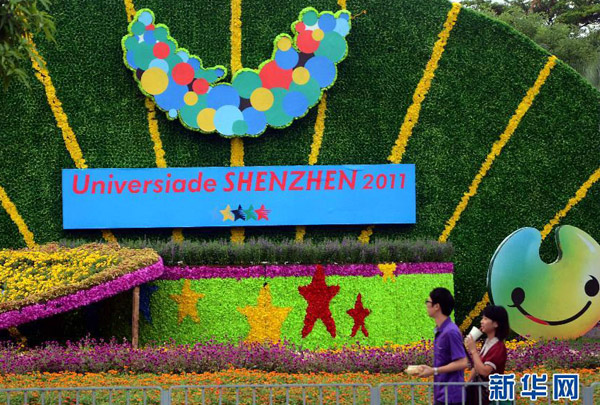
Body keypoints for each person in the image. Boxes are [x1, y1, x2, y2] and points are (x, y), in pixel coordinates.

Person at [418, 288, 469, 405]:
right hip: (442, 394)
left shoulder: (451, 331)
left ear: (437, 306)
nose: (426, 305)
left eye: (428, 302)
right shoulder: (441, 331)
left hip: (451, 396)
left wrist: (434, 370)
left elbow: (462, 362)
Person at [464, 305, 510, 405]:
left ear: (496, 324)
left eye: (485, 319)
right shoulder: (487, 342)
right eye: (482, 318)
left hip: (491, 397)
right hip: (481, 396)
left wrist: (473, 350)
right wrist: (467, 385)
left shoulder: (498, 347)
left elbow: (484, 371)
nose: (482, 321)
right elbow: (476, 367)